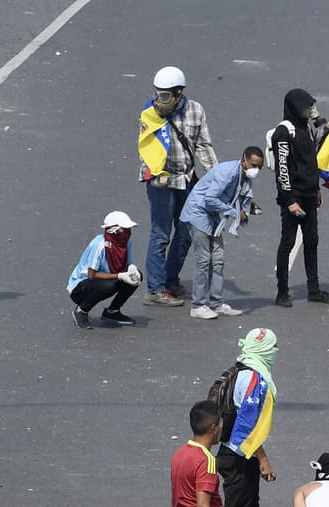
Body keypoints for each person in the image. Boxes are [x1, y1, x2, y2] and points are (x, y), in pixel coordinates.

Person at [138, 66, 216, 308]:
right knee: (161, 234)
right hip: (161, 181)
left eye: (166, 95)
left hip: (187, 178)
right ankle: (155, 289)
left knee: (186, 232)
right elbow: (147, 150)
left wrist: (217, 177)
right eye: (158, 94)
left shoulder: (196, 110)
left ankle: (170, 280)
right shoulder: (150, 114)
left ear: (179, 93)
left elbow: (203, 146)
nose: (160, 100)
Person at [215, 329, 280, 507]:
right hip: (238, 455)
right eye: (273, 348)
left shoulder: (240, 370)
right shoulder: (255, 379)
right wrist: (263, 459)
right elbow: (246, 428)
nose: (275, 352)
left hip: (236, 451)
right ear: (264, 350)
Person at [180, 146, 264, 319]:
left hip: (212, 218)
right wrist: (235, 212)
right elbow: (209, 199)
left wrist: (249, 206)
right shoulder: (228, 173)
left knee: (218, 260)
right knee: (203, 261)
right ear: (244, 160)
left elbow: (234, 196)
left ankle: (216, 303)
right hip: (199, 214)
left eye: (259, 167)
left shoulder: (243, 176)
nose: (256, 170)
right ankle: (197, 305)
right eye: (254, 165)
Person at [271, 88, 329, 307]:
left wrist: (316, 189)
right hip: (293, 197)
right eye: (306, 107)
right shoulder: (284, 132)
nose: (309, 111)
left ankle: (314, 289)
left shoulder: (306, 128)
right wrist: (289, 201)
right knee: (287, 243)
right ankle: (282, 293)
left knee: (311, 242)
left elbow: (310, 162)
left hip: (309, 194)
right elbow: (282, 170)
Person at [67, 211, 144, 329]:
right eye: (125, 229)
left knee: (137, 275)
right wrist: (120, 276)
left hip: (108, 280)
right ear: (114, 230)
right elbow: (91, 275)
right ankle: (81, 312)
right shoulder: (99, 244)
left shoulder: (126, 242)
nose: (128, 233)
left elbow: (128, 264)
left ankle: (112, 312)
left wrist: (132, 269)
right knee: (109, 285)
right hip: (81, 288)